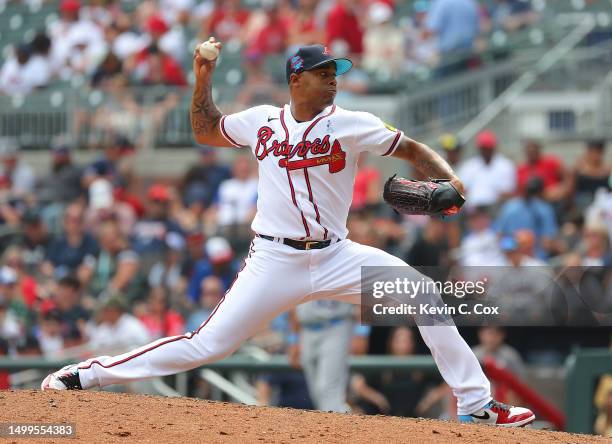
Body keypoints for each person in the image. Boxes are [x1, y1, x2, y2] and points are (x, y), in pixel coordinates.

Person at [41, 40, 534, 427]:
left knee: (424, 293)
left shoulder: (352, 124)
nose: (333, 82)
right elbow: (205, 129)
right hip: (274, 261)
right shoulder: (261, 122)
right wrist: (202, 78)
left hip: (338, 255)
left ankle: (476, 405)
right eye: (324, 74)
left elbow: (414, 149)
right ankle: (86, 374)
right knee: (206, 346)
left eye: (335, 74)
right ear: (296, 79)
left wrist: (449, 179)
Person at [291, 299, 354, 412]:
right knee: (316, 391)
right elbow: (294, 299)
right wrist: (294, 339)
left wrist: (361, 331)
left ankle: (338, 425)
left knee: (327, 388)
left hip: (336, 325)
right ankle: (336, 425)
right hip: (306, 330)